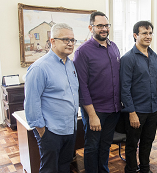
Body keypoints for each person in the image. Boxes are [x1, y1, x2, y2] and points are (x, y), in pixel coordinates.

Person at [24, 23, 79, 173]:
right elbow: (31, 103)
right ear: (52, 41)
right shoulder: (39, 68)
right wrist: (42, 132)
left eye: (72, 40)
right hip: (51, 131)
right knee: (49, 169)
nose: (70, 43)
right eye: (65, 39)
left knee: (64, 166)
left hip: (69, 127)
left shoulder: (70, 65)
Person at [73, 11, 121, 173]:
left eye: (106, 25)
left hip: (113, 109)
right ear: (90, 27)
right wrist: (92, 115)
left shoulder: (114, 47)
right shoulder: (82, 52)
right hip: (95, 110)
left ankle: (103, 170)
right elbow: (82, 86)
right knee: (92, 146)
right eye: (99, 25)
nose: (104, 29)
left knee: (105, 145)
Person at [120, 21, 157, 173]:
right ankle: (130, 169)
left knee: (148, 142)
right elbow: (124, 88)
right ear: (135, 35)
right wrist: (131, 112)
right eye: (144, 33)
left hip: (153, 109)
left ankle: (145, 168)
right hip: (136, 111)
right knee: (132, 144)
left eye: (150, 33)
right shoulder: (128, 58)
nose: (148, 36)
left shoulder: (154, 56)